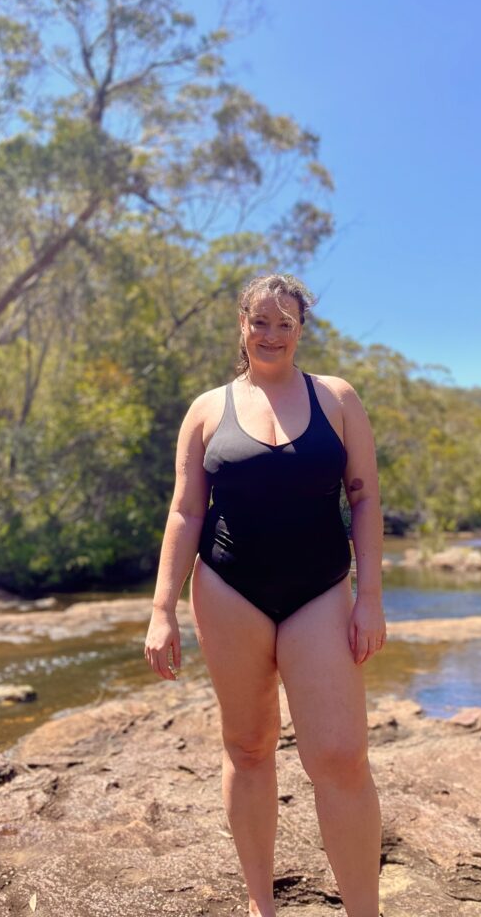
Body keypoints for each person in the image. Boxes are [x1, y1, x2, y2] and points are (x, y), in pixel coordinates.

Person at [144, 273, 386, 917]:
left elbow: (363, 497)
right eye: (260, 322)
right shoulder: (206, 409)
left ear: (301, 329)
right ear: (242, 327)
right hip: (228, 588)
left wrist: (370, 599)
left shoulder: (337, 398)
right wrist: (162, 608)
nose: (272, 334)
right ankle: (261, 906)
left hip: (321, 592)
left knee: (338, 756)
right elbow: (185, 512)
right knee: (248, 748)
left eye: (285, 323)